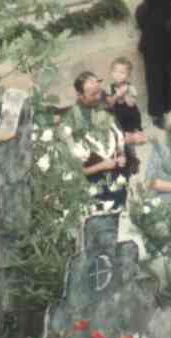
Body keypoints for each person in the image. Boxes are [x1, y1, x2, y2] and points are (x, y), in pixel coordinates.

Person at [67, 72, 128, 229]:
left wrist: (122, 154)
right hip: (92, 189)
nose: (98, 96)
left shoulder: (103, 107)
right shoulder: (73, 123)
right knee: (97, 228)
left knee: (116, 222)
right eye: (92, 94)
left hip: (115, 180)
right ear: (80, 95)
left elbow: (118, 135)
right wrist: (102, 166)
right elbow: (73, 172)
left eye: (99, 91)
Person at [136, 0, 171, 129]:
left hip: (167, 46)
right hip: (152, 48)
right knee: (155, 81)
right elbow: (141, 23)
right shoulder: (145, 7)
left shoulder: (170, 5)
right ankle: (158, 114)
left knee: (170, 79)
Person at [104, 57, 148, 174]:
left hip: (130, 117)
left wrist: (125, 94)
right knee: (119, 139)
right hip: (117, 117)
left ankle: (133, 159)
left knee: (130, 142)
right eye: (115, 71)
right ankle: (121, 159)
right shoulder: (109, 87)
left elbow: (131, 103)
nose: (118, 75)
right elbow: (109, 103)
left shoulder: (130, 87)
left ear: (128, 76)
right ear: (111, 72)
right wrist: (117, 96)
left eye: (122, 72)